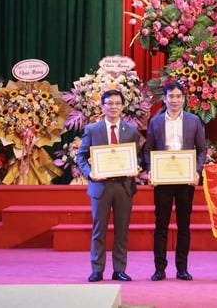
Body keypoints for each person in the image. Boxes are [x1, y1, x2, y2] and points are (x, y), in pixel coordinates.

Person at [143, 81, 207, 281]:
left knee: (184, 225)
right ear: (164, 99)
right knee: (161, 225)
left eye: (179, 96)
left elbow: (202, 149)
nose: (175, 100)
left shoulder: (194, 121)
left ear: (184, 98)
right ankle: (159, 268)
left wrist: (197, 171)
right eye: (171, 96)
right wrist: (151, 170)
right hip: (163, 180)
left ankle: (182, 268)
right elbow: (148, 151)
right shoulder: (155, 121)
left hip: (185, 180)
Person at [76, 89, 141, 282]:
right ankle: (97, 269)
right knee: (99, 229)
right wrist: (90, 173)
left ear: (123, 106)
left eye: (117, 103)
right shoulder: (92, 129)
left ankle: (119, 269)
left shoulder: (131, 130)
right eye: (109, 103)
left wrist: (136, 166)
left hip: (124, 186)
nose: (113, 107)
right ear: (102, 106)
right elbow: (80, 156)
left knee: (122, 230)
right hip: (100, 186)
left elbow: (135, 156)